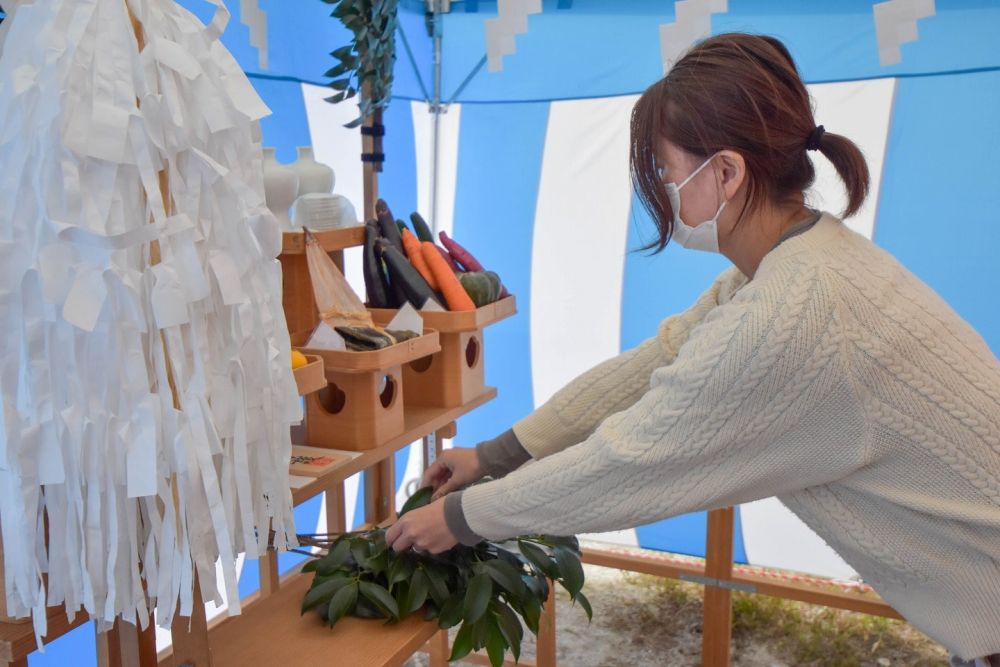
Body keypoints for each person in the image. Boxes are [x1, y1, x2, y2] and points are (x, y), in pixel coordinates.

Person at [384, 33, 1000, 665]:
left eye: (665, 170)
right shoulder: (795, 264)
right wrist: (494, 455)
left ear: (726, 171)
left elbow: (628, 461)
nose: (659, 187)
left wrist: (462, 518)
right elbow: (656, 363)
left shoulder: (797, 316)